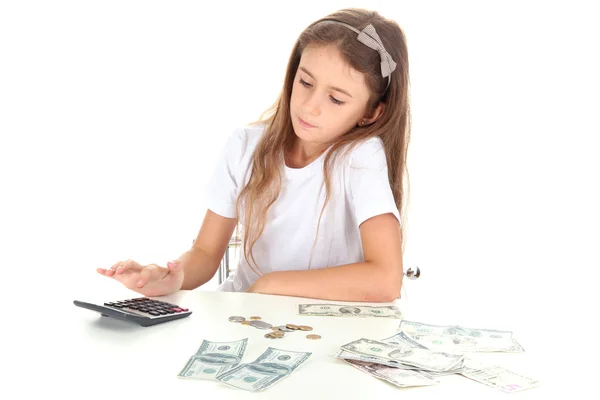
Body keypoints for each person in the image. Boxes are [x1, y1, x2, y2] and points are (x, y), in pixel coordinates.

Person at [97, 8, 411, 302]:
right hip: (245, 313)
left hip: (307, 322)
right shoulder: (245, 145)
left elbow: (385, 279)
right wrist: (171, 278)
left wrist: (270, 285)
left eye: (335, 99)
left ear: (370, 113)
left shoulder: (361, 157)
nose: (309, 105)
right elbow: (206, 253)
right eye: (305, 82)